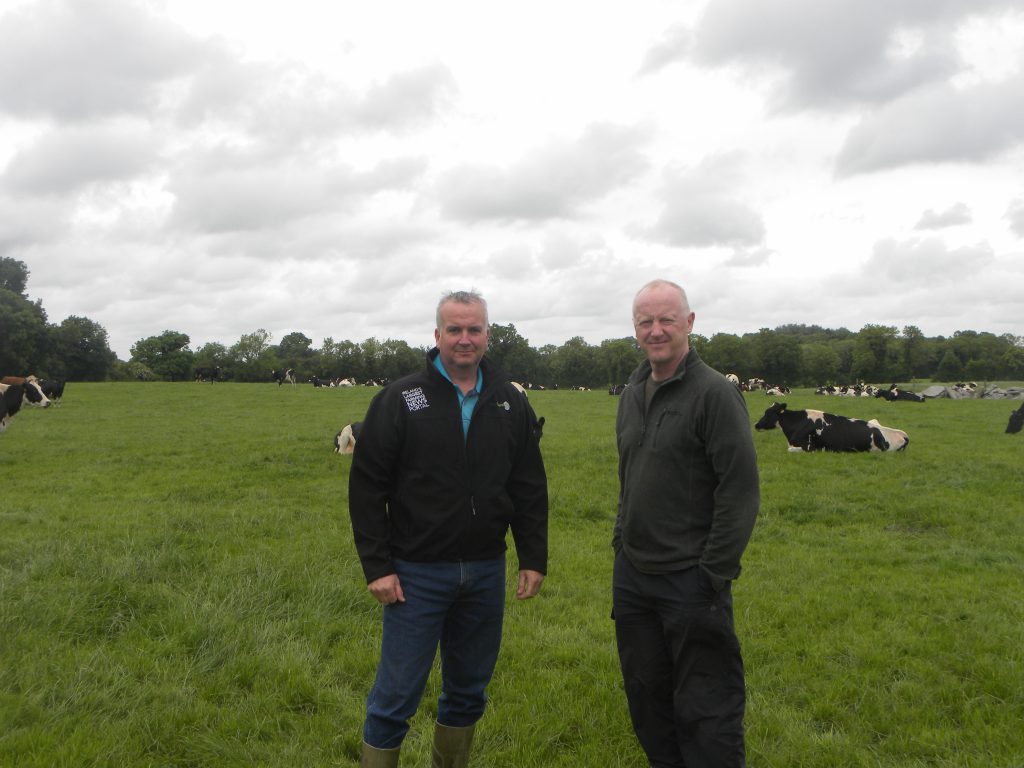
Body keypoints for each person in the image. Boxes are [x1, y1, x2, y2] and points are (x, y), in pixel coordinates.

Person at [349, 290, 549, 768]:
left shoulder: (509, 400)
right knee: (395, 697)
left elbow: (528, 484)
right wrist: (378, 566)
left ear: (487, 335)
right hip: (416, 574)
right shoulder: (400, 398)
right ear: (437, 335)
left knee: (467, 692)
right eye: (454, 330)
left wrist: (533, 557)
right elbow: (366, 488)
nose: (465, 339)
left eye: (474, 329)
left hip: (484, 571)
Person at [613, 279, 760, 767]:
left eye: (666, 320)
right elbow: (628, 476)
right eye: (645, 322)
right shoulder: (633, 391)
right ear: (634, 329)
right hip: (634, 579)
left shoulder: (714, 394)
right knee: (647, 700)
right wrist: (621, 542)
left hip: (691, 580)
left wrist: (712, 574)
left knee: (707, 707)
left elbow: (739, 490)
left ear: (689, 323)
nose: (655, 331)